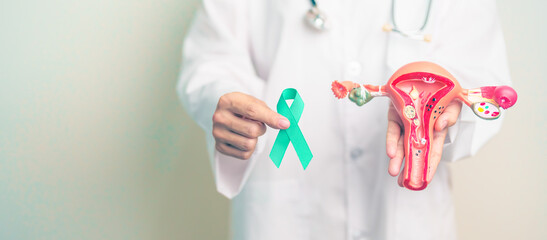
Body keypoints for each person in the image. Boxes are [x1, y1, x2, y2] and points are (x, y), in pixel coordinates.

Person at [177, 0, 511, 239]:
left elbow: (481, 77)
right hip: (284, 212)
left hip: (406, 216)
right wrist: (225, 100)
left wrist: (442, 102)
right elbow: (213, 58)